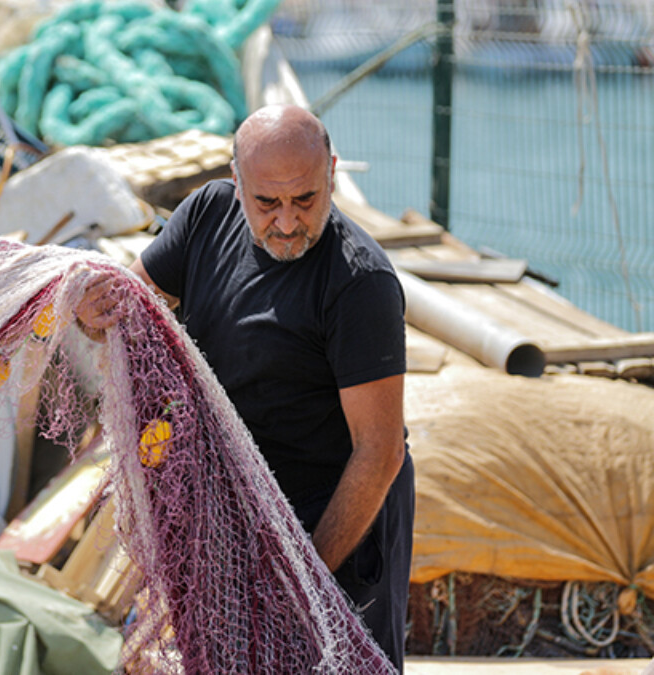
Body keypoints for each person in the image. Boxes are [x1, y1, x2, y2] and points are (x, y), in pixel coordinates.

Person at [77, 104, 413, 671]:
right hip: (232, 509)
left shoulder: (360, 284)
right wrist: (90, 309)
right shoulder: (207, 215)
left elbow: (379, 453)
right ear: (237, 185)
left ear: (331, 174)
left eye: (306, 200)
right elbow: (125, 308)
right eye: (267, 203)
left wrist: (304, 576)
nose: (287, 222)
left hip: (332, 518)